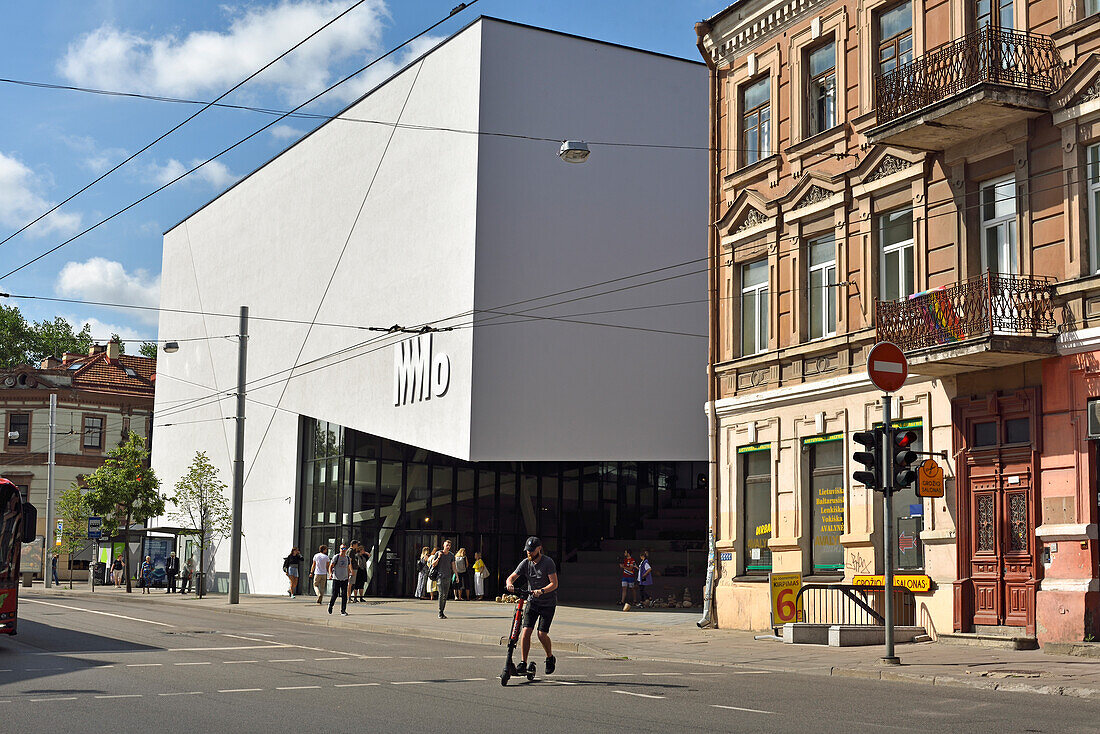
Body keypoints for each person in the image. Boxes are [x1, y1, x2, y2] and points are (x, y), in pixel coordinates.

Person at [506, 536, 558, 676]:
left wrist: (541, 591)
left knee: (541, 634)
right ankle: (523, 662)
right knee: (525, 632)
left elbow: (554, 583)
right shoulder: (525, 563)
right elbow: (511, 577)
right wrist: (509, 584)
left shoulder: (548, 562)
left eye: (531, 551)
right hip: (532, 601)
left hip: (548, 603)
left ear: (539, 549)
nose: (529, 553)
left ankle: (549, 657)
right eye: (527, 550)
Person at [430, 539, 457, 619]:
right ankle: (440, 611)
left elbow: (453, 566)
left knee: (445, 595)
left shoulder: (451, 555)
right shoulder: (438, 553)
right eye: (447, 545)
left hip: (448, 577)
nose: (448, 547)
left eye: (449, 546)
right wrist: (438, 557)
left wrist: (456, 576)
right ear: (443, 546)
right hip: (440, 577)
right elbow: (433, 564)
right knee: (441, 594)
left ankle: (442, 611)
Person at [328, 543, 351, 616]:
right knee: (335, 594)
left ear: (346, 549)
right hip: (336, 578)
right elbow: (331, 566)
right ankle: (331, 605)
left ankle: (343, 610)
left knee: (344, 595)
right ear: (339, 549)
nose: (343, 550)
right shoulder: (336, 557)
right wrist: (330, 574)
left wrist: (348, 576)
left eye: (344, 549)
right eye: (342, 548)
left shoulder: (347, 558)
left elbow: (348, 568)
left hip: (344, 579)